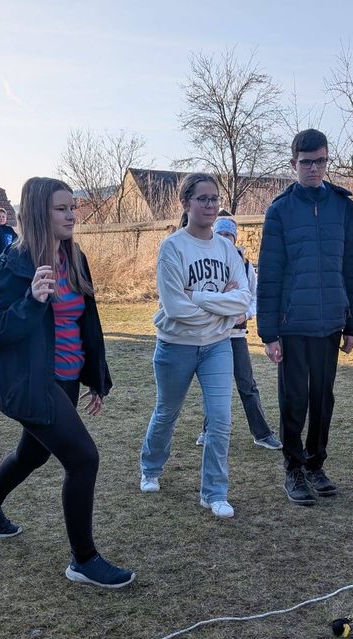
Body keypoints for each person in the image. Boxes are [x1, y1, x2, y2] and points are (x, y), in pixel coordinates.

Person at [0, 177, 135, 590]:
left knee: (33, 454)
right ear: (40, 212)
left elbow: (86, 323)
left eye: (73, 207)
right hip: (32, 382)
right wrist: (31, 302)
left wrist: (95, 377)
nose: (72, 215)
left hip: (67, 379)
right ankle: (84, 560)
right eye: (62, 209)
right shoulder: (14, 263)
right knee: (83, 459)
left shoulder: (74, 256)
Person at [256, 128, 353, 506]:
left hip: (331, 321)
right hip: (292, 324)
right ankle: (294, 468)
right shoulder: (280, 210)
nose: (314, 168)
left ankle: (316, 464)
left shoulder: (344, 207)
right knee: (294, 399)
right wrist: (269, 332)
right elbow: (269, 274)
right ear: (293, 164)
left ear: (326, 160)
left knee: (323, 397)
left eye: (320, 160)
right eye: (306, 162)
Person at [139, 174, 251, 519]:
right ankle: (151, 467)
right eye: (202, 199)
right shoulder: (172, 247)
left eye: (214, 199)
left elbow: (244, 300)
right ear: (185, 203)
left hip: (217, 345)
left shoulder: (226, 247)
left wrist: (201, 298)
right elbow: (175, 308)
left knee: (220, 419)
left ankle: (214, 492)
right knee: (167, 412)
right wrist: (221, 308)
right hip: (176, 345)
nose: (210, 206)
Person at [195, 212, 282, 452]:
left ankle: (262, 434)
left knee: (247, 385)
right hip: (212, 334)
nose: (224, 238)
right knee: (214, 386)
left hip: (235, 336)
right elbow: (203, 296)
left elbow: (253, 298)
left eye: (228, 234)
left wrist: (246, 313)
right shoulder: (206, 262)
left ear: (234, 238)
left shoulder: (245, 266)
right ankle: (208, 430)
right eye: (220, 233)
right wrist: (225, 298)